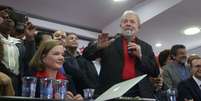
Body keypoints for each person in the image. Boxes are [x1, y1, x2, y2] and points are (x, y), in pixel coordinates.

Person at [83, 10, 159, 98]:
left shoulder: (146, 47)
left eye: (132, 22)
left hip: (139, 93)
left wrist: (140, 56)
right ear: (121, 26)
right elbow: (86, 56)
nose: (128, 24)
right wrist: (98, 47)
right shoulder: (108, 42)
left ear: (138, 27)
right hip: (111, 92)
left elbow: (155, 72)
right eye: (125, 21)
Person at [0, 5, 35, 95]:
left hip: (17, 85)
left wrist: (30, 39)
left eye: (10, 18)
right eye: (3, 17)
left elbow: (29, 62)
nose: (8, 20)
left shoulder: (17, 43)